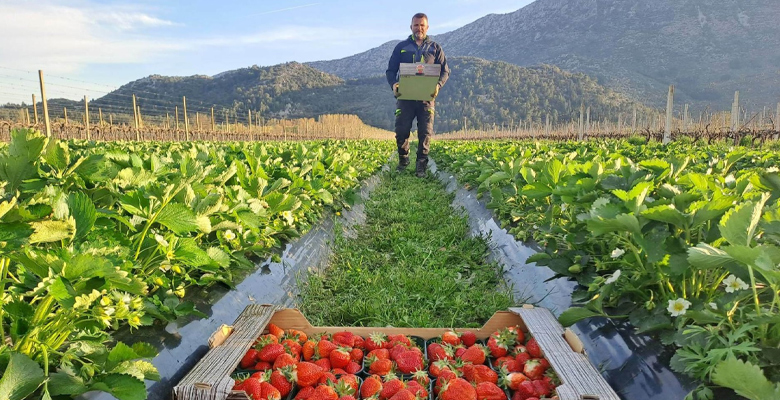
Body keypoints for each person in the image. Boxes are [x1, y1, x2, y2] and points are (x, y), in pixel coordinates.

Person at [385, 12, 450, 177]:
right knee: (401, 130)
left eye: (422, 25)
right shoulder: (401, 47)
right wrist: (394, 84)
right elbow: (391, 70)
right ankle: (403, 159)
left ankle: (421, 167)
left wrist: (438, 85)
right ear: (411, 27)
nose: (419, 28)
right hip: (405, 98)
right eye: (416, 25)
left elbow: (445, 71)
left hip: (426, 99)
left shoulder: (435, 48)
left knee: (425, 133)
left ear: (427, 27)